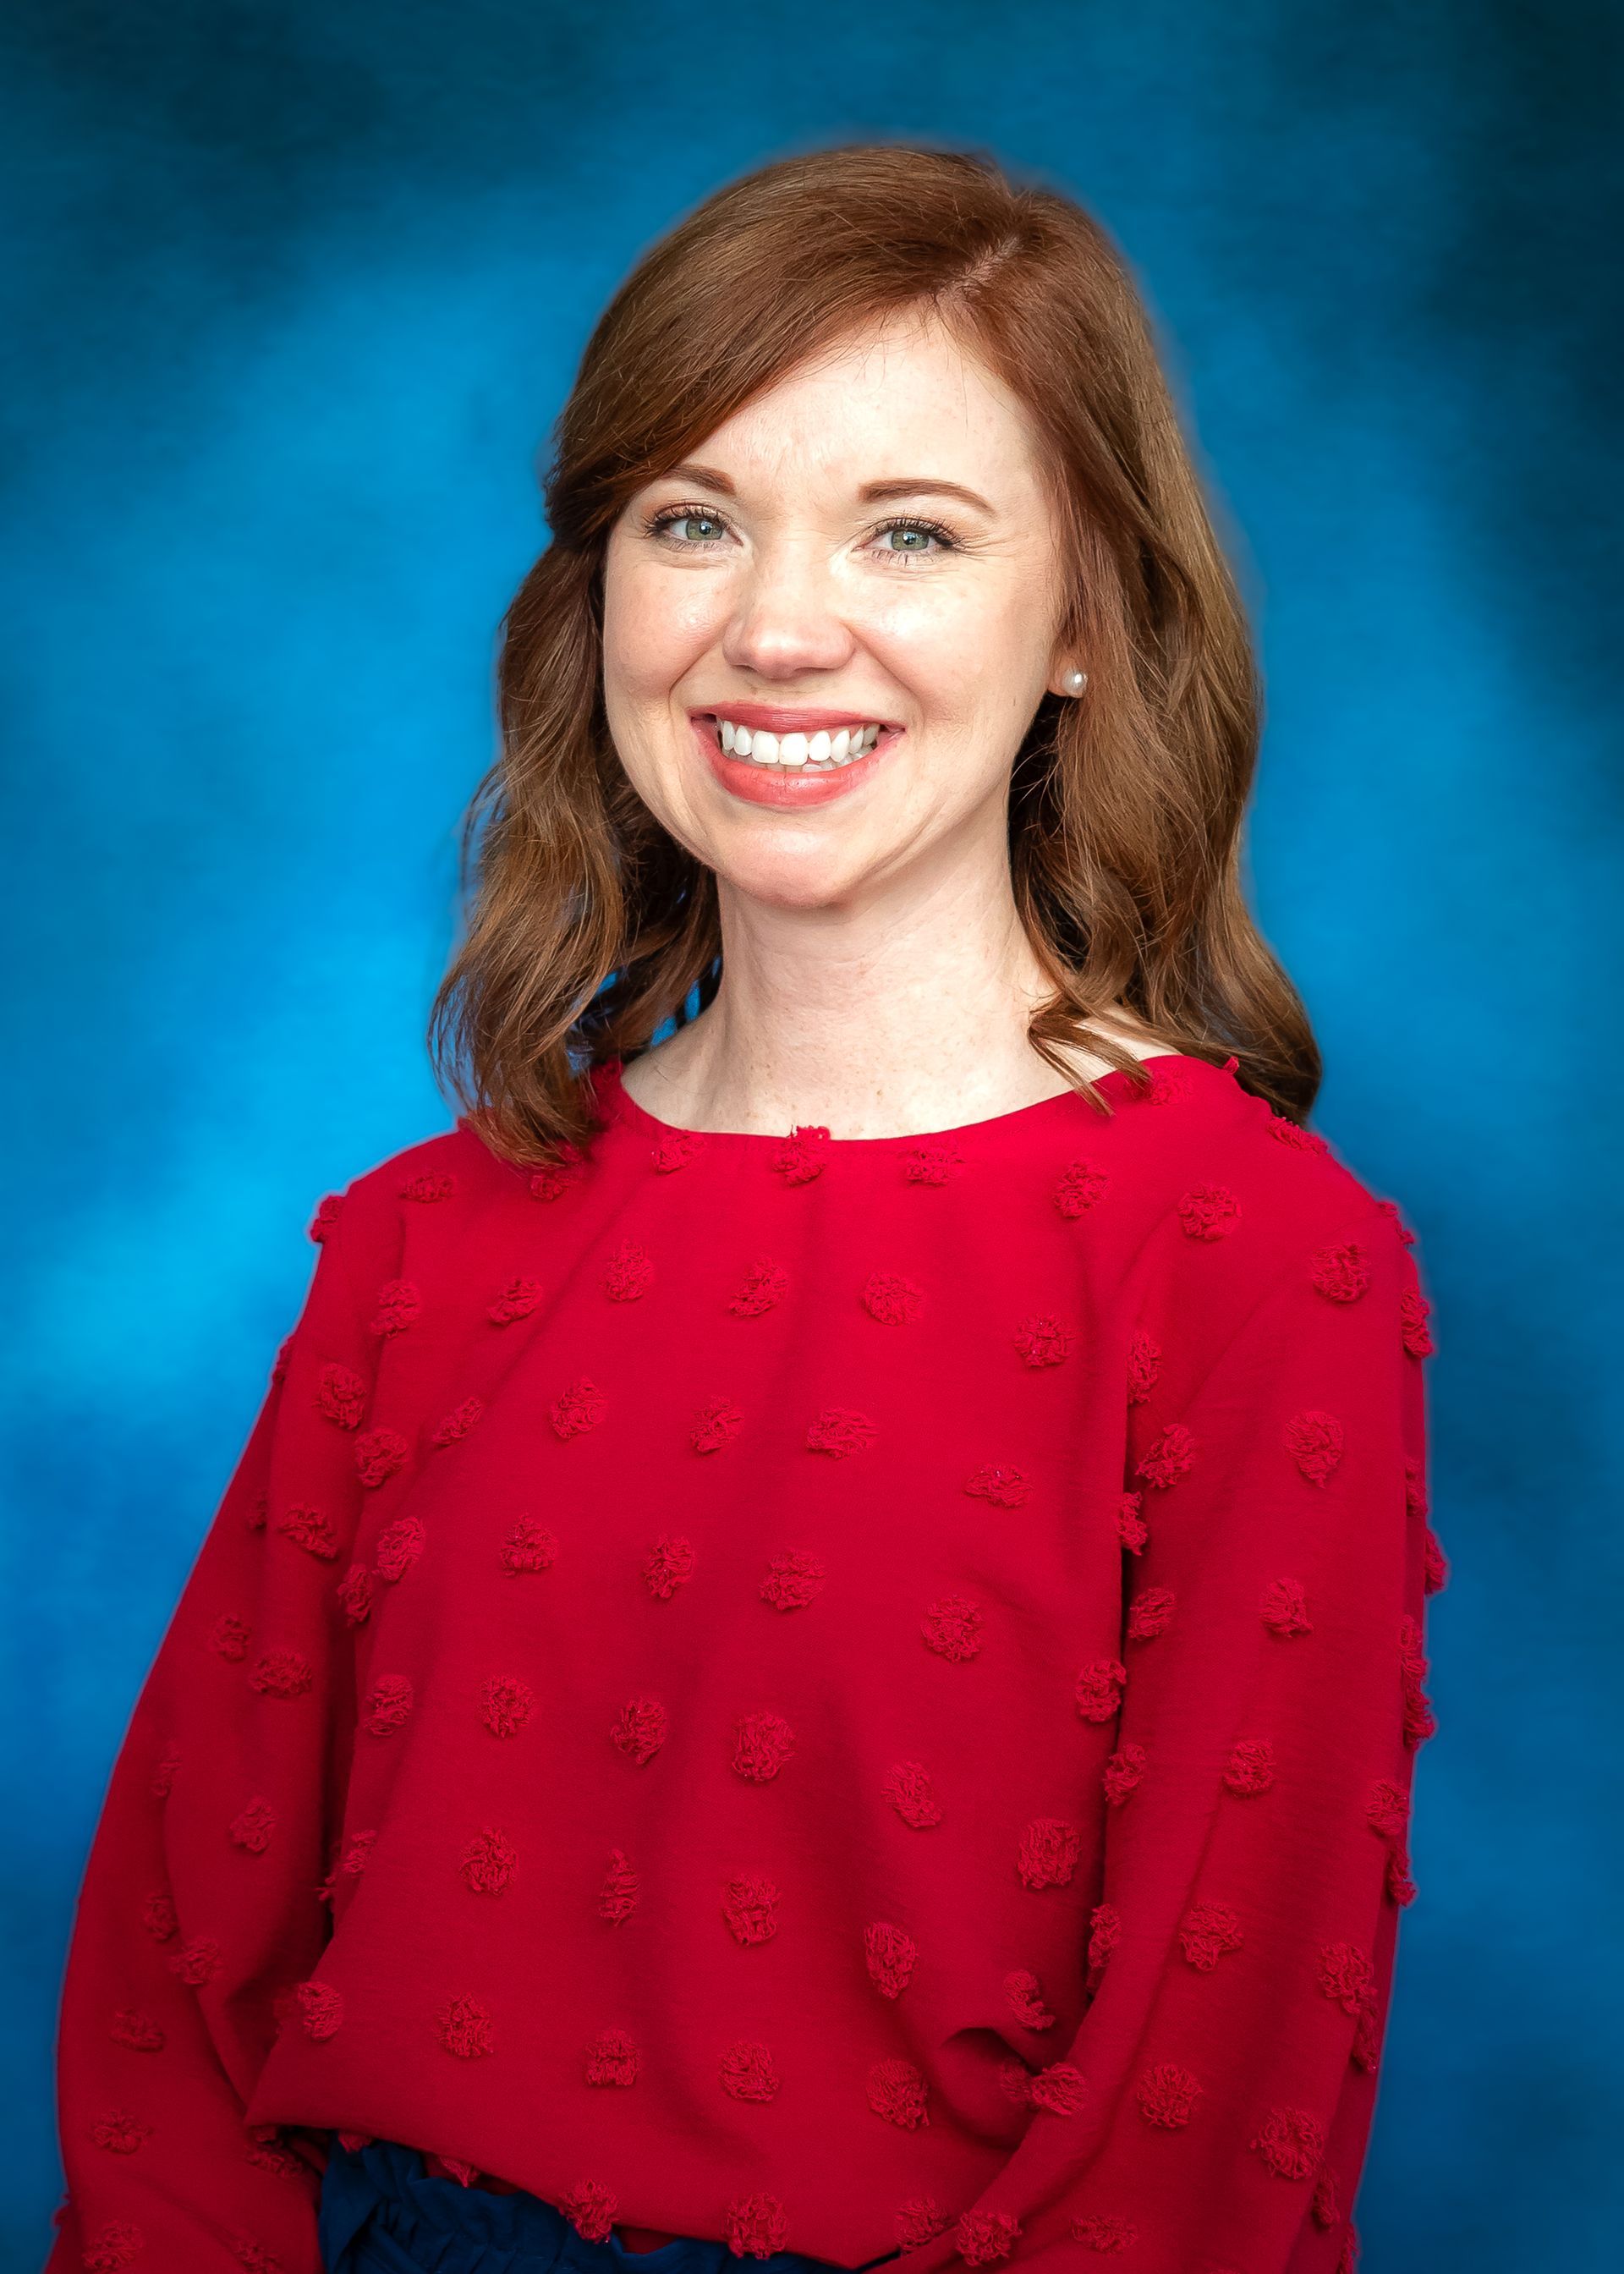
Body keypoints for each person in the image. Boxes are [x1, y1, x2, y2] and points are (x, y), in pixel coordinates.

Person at [45, 143, 1444, 2274]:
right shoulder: (427, 1243)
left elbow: (1210, 2138)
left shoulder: (1259, 1264)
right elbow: (173, 1993)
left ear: (1082, 620)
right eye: (693, 521)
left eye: (911, 532)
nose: (778, 629)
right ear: (602, 586)